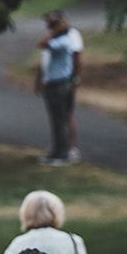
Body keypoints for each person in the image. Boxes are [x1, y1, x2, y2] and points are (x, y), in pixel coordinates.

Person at [34, 10, 83, 165]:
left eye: (52, 23)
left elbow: (42, 44)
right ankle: (57, 151)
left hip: (60, 83)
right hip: (53, 83)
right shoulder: (59, 38)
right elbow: (43, 59)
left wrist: (56, 30)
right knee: (56, 120)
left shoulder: (65, 39)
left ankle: (64, 153)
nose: (48, 25)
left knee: (61, 120)